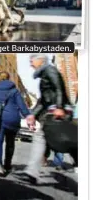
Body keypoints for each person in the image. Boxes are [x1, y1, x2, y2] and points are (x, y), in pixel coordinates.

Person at [23, 54, 76, 184]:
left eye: (32, 61)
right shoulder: (44, 74)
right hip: (52, 111)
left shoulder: (50, 70)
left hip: (58, 111)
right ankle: (32, 171)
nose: (30, 64)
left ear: (40, 60)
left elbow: (59, 88)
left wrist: (59, 107)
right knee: (43, 137)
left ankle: (32, 170)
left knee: (67, 141)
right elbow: (43, 101)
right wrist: (32, 114)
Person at [0, 71, 34, 176]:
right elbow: (21, 105)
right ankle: (7, 165)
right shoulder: (14, 90)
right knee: (10, 142)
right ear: (8, 78)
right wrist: (28, 116)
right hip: (12, 118)